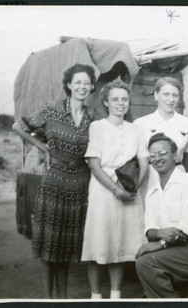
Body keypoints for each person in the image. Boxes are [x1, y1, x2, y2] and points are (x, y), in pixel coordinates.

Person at [12, 63, 96, 298]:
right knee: (49, 245)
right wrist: (43, 148)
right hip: (54, 183)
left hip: (79, 185)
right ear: (69, 85)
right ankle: (49, 300)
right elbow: (18, 126)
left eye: (86, 83)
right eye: (77, 82)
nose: (82, 86)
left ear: (91, 87)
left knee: (66, 247)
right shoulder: (52, 110)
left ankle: (63, 299)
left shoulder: (93, 118)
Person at [81, 79, 149, 299]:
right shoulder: (97, 127)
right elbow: (94, 165)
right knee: (98, 242)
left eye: (124, 99)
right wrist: (115, 190)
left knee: (120, 244)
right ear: (106, 102)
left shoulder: (136, 129)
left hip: (129, 191)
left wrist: (132, 189)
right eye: (115, 99)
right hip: (103, 191)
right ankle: (95, 296)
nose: (120, 103)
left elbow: (144, 163)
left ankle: (115, 296)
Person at [135, 133, 188, 298]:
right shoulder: (152, 192)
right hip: (177, 249)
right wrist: (160, 234)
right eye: (152, 155)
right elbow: (149, 230)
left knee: (146, 263)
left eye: (163, 153)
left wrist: (159, 243)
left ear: (175, 156)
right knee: (145, 259)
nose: (157, 158)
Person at [133, 77, 188, 172]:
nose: (171, 99)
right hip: (150, 175)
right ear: (156, 95)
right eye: (166, 94)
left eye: (175, 95)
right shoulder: (141, 124)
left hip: (178, 174)